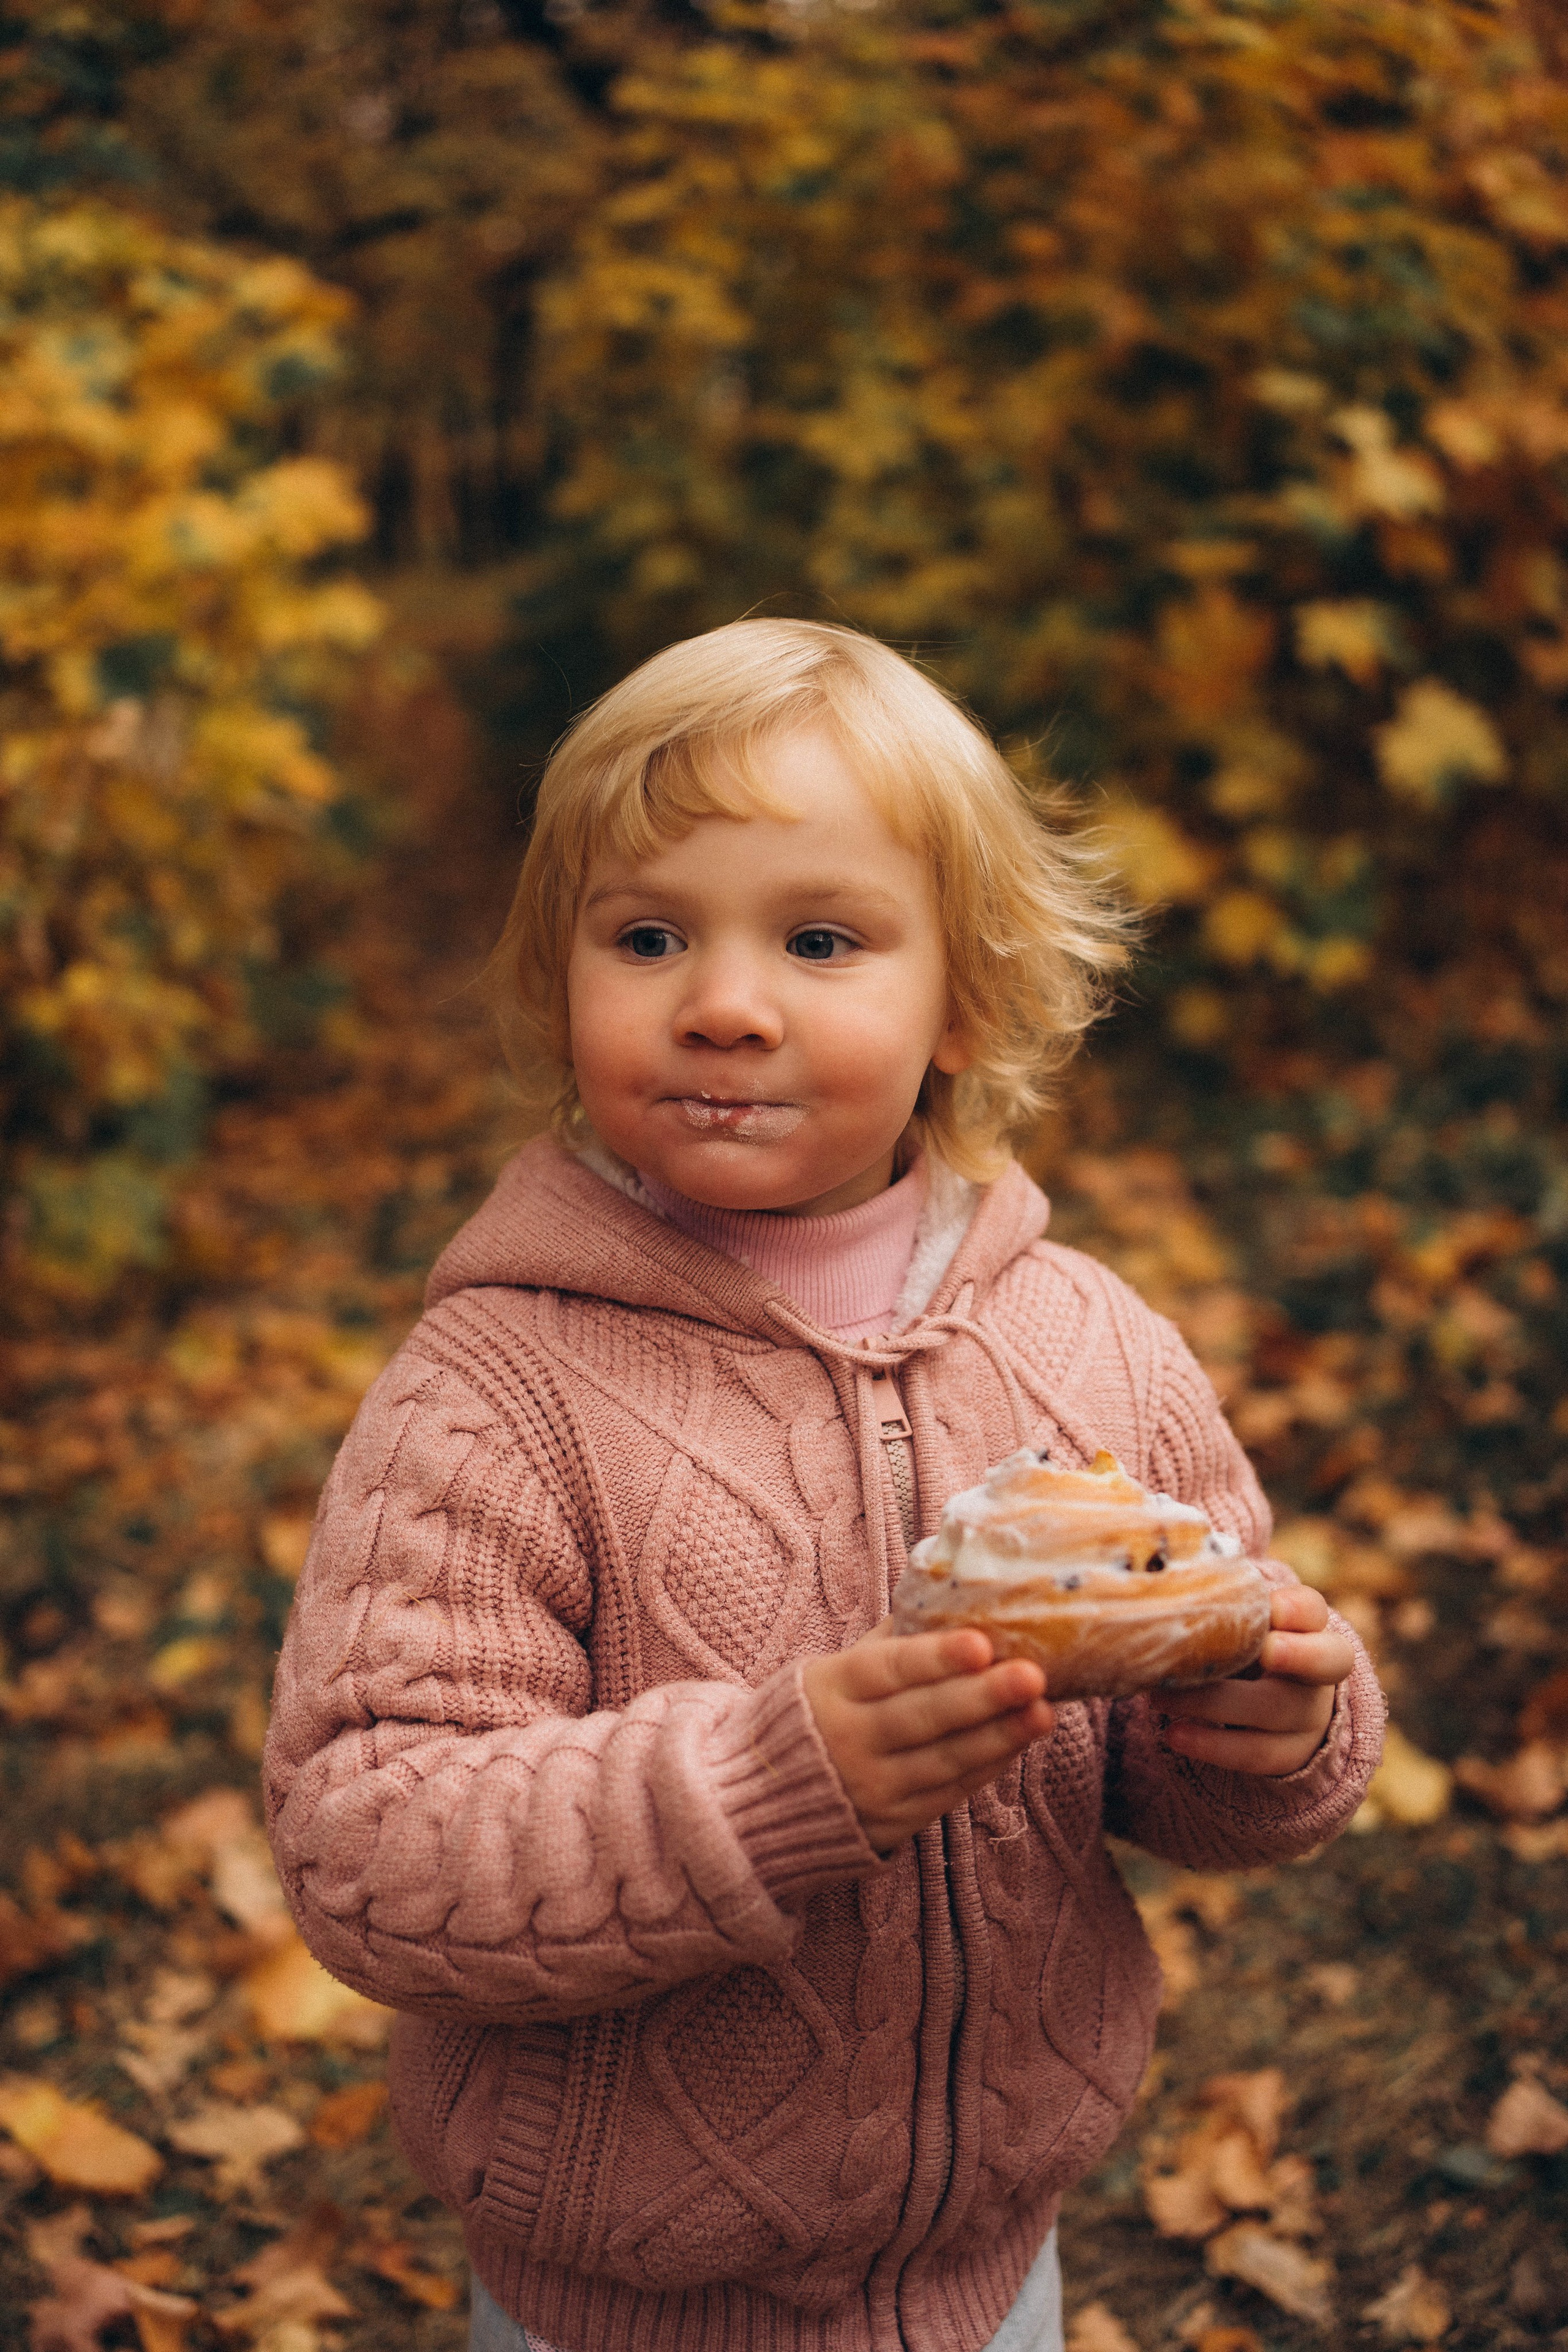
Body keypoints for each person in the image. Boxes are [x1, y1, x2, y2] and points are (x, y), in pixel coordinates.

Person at [263, 620, 1384, 2352]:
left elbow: (1187, 1757)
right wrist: (764, 1786)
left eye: (819, 936)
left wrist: (1273, 1732)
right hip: (620, 2301)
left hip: (999, 2267)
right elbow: (368, 1847)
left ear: (969, 1003)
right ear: (561, 987)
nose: (722, 999)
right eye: (646, 936)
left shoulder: (1092, 1346)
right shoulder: (497, 1395)